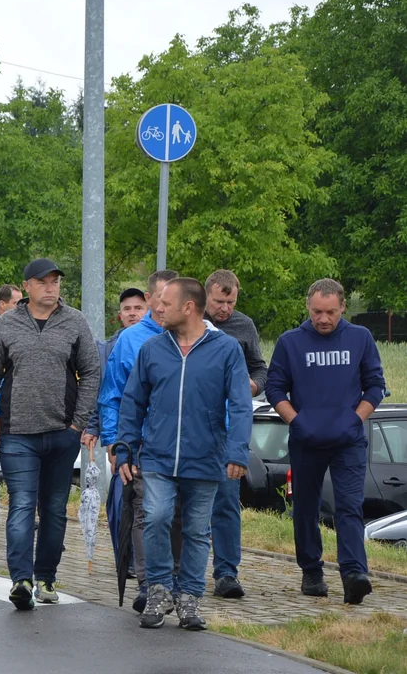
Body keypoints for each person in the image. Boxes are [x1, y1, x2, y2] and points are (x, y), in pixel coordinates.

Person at [115, 278, 251, 631]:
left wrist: (237, 451)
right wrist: (124, 448)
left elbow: (239, 405)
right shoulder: (151, 349)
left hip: (206, 458)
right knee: (157, 516)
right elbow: (132, 402)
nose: (156, 308)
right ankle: (159, 589)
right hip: (157, 456)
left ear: (188, 307)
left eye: (164, 303)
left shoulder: (227, 349)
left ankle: (189, 597)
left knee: (194, 529)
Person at [0, 259, 100, 609]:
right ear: (26, 286)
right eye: (43, 282)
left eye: (55, 281)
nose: (51, 287)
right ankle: (21, 579)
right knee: (21, 506)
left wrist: (78, 422)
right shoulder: (7, 324)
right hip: (17, 434)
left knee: (55, 509)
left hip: (63, 432)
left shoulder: (75, 321)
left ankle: (46, 576)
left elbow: (91, 372)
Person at [265, 278, 385, 605]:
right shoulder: (290, 342)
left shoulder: (360, 338)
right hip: (306, 441)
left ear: (343, 307)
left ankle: (353, 574)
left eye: (330, 312)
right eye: (317, 312)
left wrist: (354, 418)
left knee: (349, 506)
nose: (323, 319)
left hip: (348, 441)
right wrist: (297, 421)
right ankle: (311, 570)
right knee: (306, 507)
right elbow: (275, 388)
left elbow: (375, 386)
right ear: (308, 306)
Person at [96, 270, 180, 612]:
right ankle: (148, 582)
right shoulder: (131, 340)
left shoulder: (197, 337)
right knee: (145, 512)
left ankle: (175, 579)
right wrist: (116, 443)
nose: (162, 306)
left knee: (178, 516)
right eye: (157, 299)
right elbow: (112, 394)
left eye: (169, 300)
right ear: (149, 300)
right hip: (141, 444)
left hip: (185, 445)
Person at [202, 269, 269, 600]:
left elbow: (260, 367)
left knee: (227, 501)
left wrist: (252, 386)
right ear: (204, 296)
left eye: (230, 302)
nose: (225, 309)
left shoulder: (244, 327)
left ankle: (226, 572)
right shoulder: (189, 322)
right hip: (194, 426)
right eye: (218, 301)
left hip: (230, 428)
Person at [84, 288, 147, 513]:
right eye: (127, 309)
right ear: (119, 315)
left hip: (148, 433)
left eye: (138, 308)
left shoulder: (158, 343)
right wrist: (93, 427)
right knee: (121, 492)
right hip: (117, 432)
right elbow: (101, 391)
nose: (133, 313)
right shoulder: (105, 348)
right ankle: (122, 545)